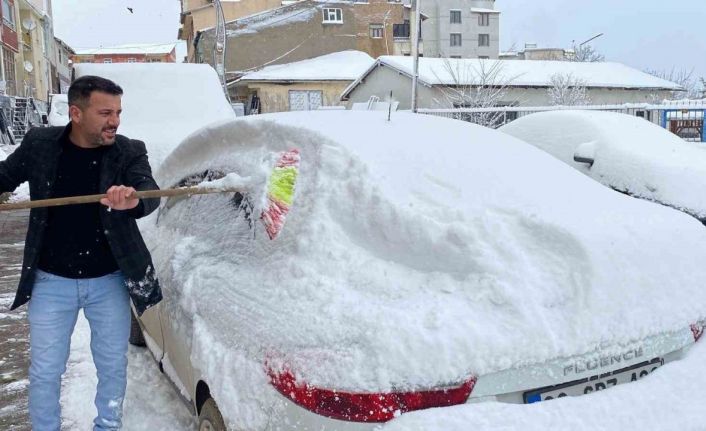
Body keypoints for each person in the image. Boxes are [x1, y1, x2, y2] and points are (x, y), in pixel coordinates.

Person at [0, 75, 162, 430]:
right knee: (45, 370)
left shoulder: (128, 150)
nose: (115, 121)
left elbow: (149, 191)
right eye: (105, 112)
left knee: (111, 365)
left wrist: (133, 198)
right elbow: (5, 176)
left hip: (108, 281)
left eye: (118, 112)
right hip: (50, 281)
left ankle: (107, 426)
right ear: (75, 112)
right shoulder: (40, 143)